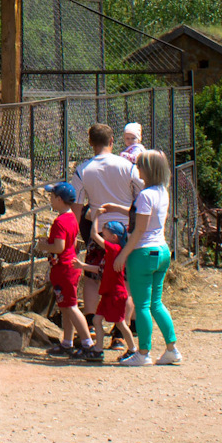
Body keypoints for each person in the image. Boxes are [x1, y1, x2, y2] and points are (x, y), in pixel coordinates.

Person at [102, 149, 180, 367]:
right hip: (161, 250)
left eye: (140, 165)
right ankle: (171, 348)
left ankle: (143, 352)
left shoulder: (145, 195)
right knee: (156, 303)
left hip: (143, 253)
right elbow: (146, 216)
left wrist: (122, 255)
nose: (137, 168)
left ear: (149, 169)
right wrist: (119, 208)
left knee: (143, 305)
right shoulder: (161, 191)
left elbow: (139, 230)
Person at [73, 122, 142, 328]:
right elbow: (141, 200)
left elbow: (76, 209)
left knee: (93, 278)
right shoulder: (129, 167)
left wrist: (75, 237)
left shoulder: (83, 170)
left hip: (99, 232)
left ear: (90, 142)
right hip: (125, 234)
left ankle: (91, 327)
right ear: (112, 141)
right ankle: (122, 332)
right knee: (126, 281)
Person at [42, 182, 93, 359]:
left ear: (59, 199)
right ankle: (67, 343)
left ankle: (88, 344)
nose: (50, 199)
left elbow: (58, 247)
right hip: (70, 266)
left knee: (71, 307)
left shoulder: (60, 221)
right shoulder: (72, 217)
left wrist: (44, 245)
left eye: (52, 196)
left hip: (64, 268)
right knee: (65, 307)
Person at [89, 217, 137, 363]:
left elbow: (93, 235)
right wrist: (82, 266)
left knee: (120, 323)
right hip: (108, 292)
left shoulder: (115, 249)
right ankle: (98, 349)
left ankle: (133, 349)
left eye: (105, 235)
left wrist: (96, 215)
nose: (103, 237)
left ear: (114, 237)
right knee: (97, 320)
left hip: (116, 294)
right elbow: (102, 270)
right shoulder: (112, 252)